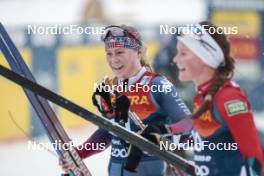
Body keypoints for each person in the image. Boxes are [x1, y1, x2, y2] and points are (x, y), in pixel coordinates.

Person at [59, 25, 192, 176]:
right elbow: (107, 132)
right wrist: (79, 153)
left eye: (120, 52)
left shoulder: (157, 85)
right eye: (109, 53)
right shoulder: (109, 89)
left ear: (139, 52)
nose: (113, 59)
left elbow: (188, 125)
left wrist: (162, 133)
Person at [171, 21, 264, 175]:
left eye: (183, 53)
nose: (175, 59)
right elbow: (208, 146)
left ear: (205, 57)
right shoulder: (201, 98)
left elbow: (254, 159)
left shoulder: (228, 98)